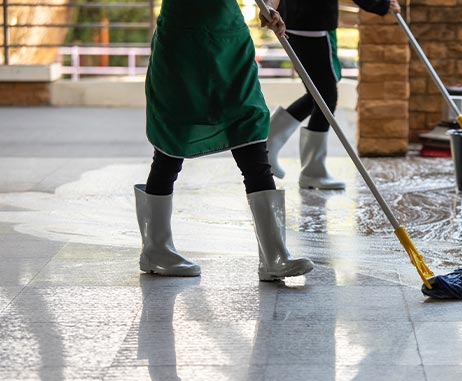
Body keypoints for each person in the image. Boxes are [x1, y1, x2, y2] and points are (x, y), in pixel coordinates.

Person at [134, 0, 314, 281]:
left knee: (250, 132)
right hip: (183, 44)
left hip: (229, 43)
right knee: (172, 143)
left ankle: (274, 256)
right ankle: (156, 249)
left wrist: (270, 9)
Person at [267, 0, 401, 189]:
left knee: (317, 95)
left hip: (294, 21)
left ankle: (269, 146)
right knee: (326, 98)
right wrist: (381, 4)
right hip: (314, 23)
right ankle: (313, 170)